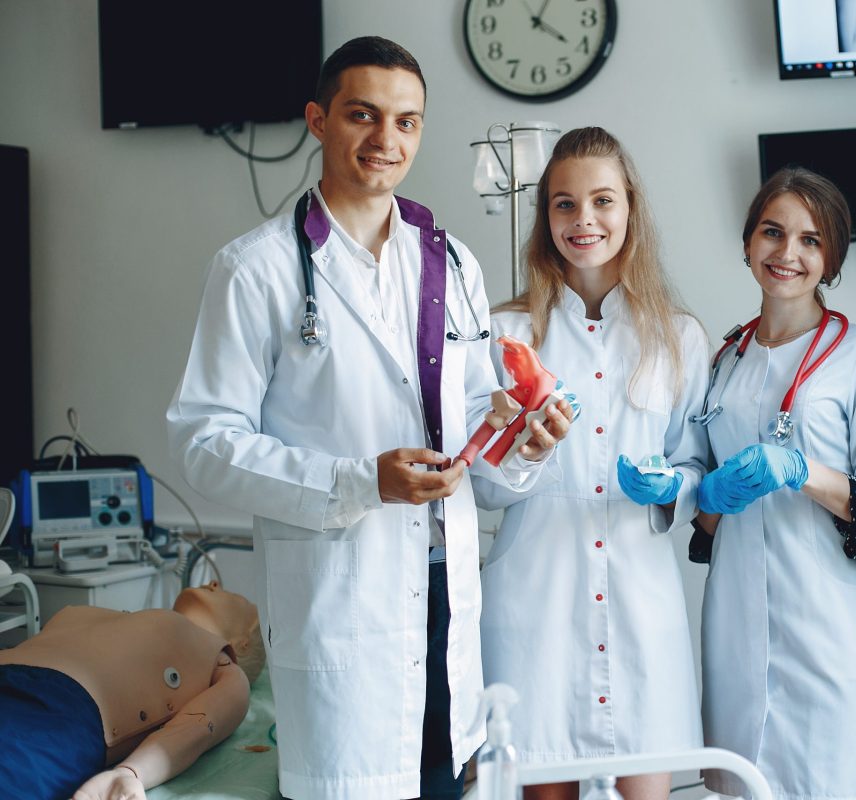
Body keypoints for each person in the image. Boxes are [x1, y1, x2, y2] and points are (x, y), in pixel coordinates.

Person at [166, 37, 571, 800]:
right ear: (318, 121)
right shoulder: (256, 270)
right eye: (364, 115)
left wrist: (527, 444)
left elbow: (483, 442)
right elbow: (204, 444)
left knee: (447, 785)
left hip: (448, 597)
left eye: (408, 122)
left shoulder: (453, 264)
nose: (388, 140)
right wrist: (359, 482)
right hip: (344, 598)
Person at [471, 127, 708, 800]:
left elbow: (695, 462)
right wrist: (526, 454)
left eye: (602, 201)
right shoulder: (504, 334)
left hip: (642, 603)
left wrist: (675, 485)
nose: (584, 221)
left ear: (630, 207)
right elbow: (480, 488)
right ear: (545, 218)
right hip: (535, 604)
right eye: (564, 204)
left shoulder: (679, 337)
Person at [694, 167, 856, 799]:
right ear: (748, 243)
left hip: (830, 621)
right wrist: (700, 498)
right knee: (741, 785)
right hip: (734, 614)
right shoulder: (724, 357)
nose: (788, 253)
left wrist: (800, 471)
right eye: (773, 232)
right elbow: (705, 501)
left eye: (811, 240)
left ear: (832, 254)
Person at [0, 582, 264, 800]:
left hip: (59, 711)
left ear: (241, 644)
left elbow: (199, 727)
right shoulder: (125, 621)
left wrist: (131, 772)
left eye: (235, 595)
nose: (215, 583)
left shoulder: (219, 663)